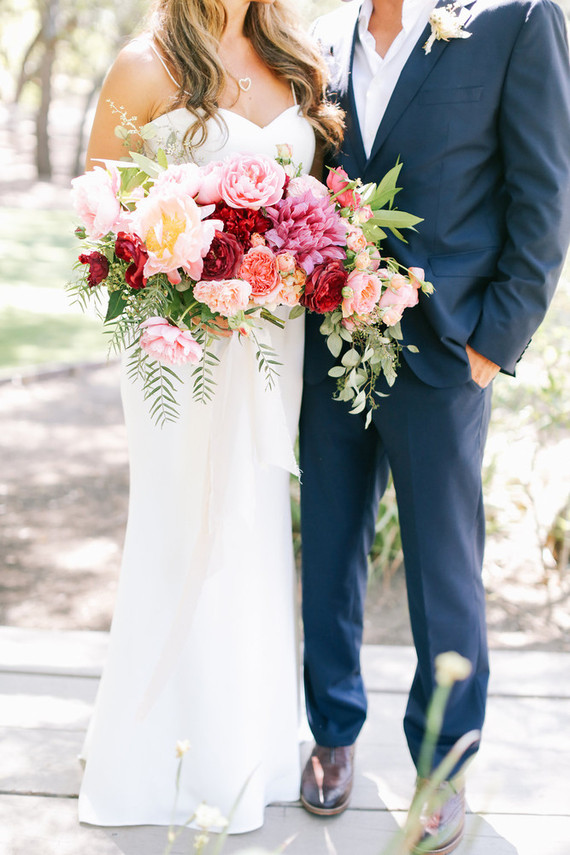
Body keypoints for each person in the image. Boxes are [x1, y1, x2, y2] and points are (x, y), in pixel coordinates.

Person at [299, 0, 570, 851]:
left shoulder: (517, 19)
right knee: (328, 547)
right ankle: (332, 732)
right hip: (330, 343)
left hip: (446, 356)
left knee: (443, 569)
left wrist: (495, 341)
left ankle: (443, 762)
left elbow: (544, 194)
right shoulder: (322, 35)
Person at [77, 0, 342, 834]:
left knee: (254, 525)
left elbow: (325, 203)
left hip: (272, 339)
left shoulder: (298, 58)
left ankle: (249, 752)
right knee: (182, 523)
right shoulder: (144, 65)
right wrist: (183, 267)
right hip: (180, 347)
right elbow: (100, 220)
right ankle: (157, 756)